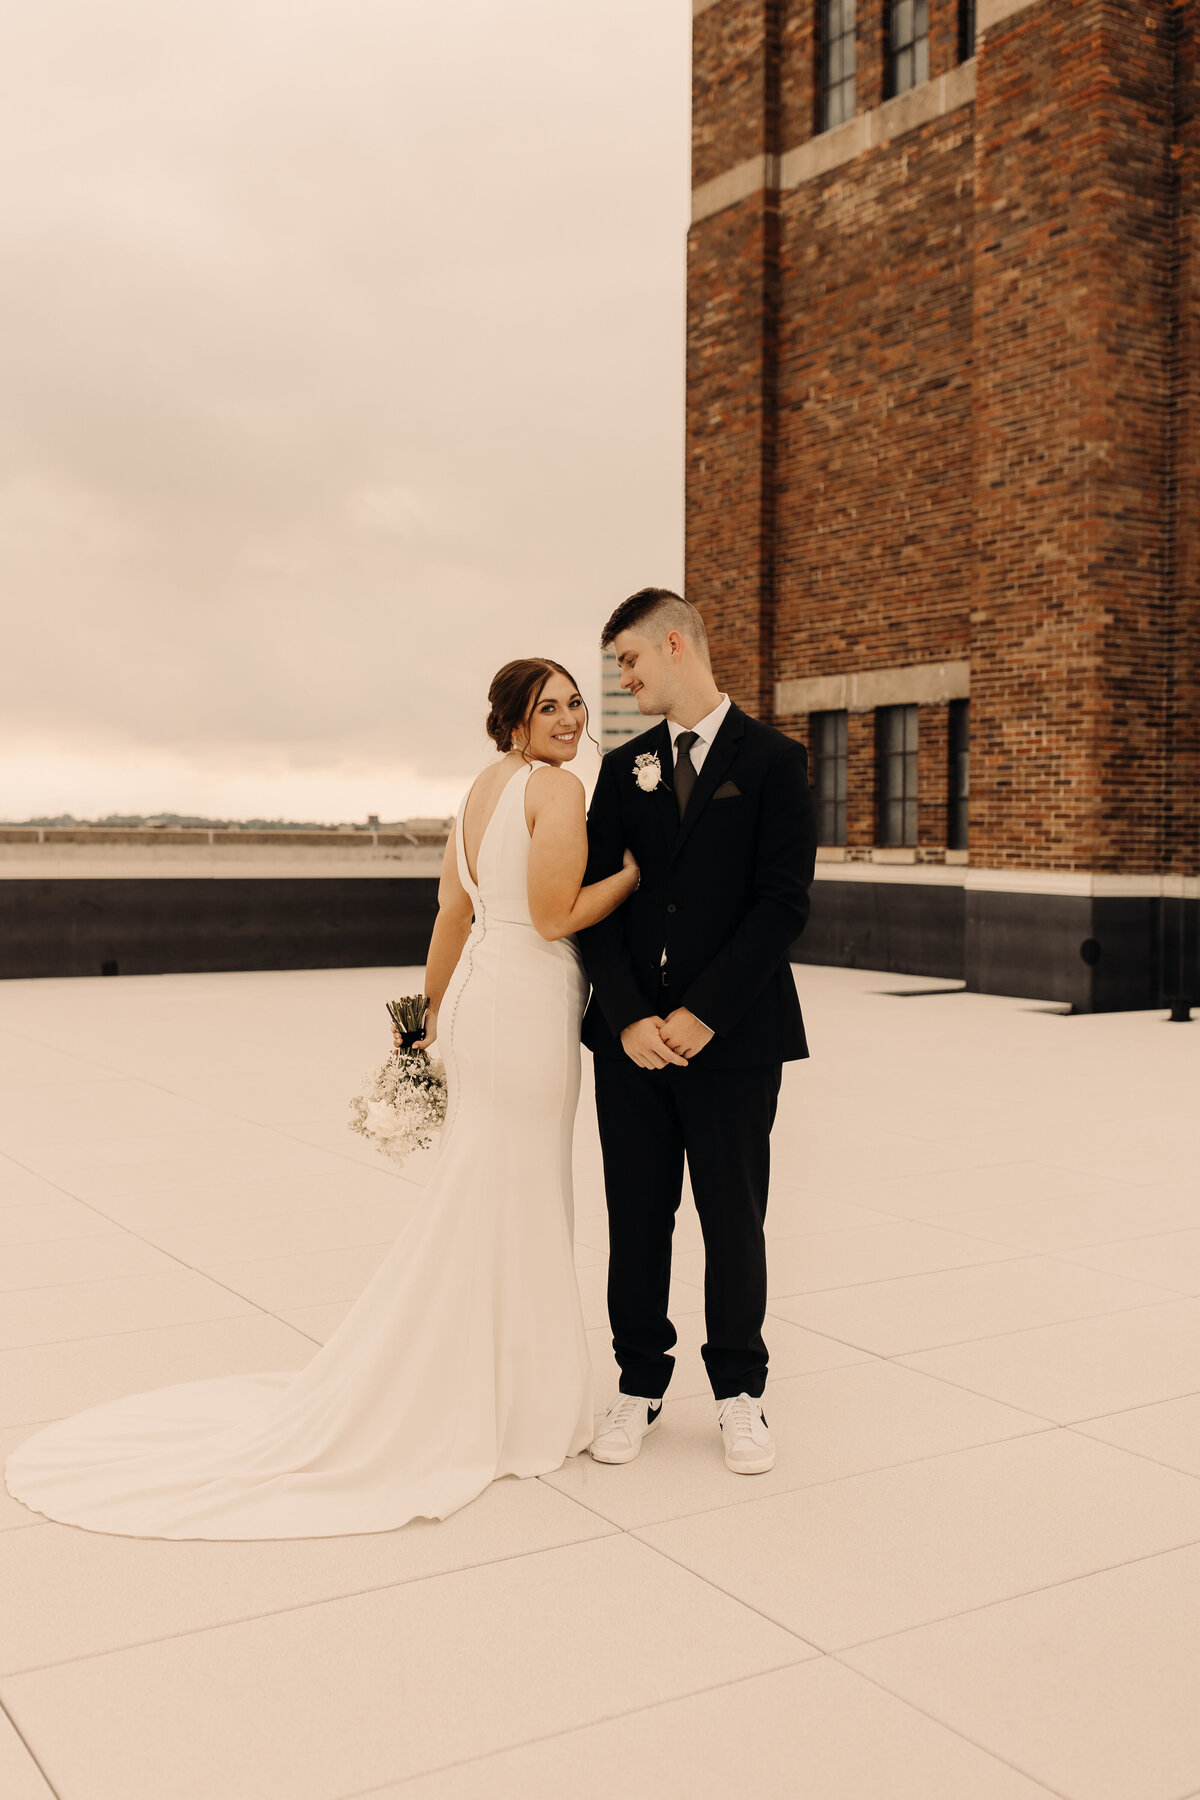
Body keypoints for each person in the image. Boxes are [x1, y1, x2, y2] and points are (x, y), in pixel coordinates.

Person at [3, 659, 637, 1539]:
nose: (569, 718)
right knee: (523, 1190)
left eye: (575, 703)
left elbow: (453, 912)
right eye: (549, 708)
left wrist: (428, 1018)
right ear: (514, 724)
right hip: (528, 1004)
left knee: (484, 1188)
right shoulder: (556, 792)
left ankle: (483, 1374)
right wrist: (636, 874)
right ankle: (521, 1398)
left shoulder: (476, 792)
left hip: (480, 1003)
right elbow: (558, 913)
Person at [578, 588, 816, 1475]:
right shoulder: (623, 767)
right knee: (636, 1218)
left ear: (675, 645)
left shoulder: (776, 763)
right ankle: (637, 1384)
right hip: (632, 1047)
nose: (625, 679)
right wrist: (633, 1014)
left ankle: (738, 1394)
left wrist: (702, 1013)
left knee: (733, 1219)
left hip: (736, 1041)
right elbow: (594, 905)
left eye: (631, 661)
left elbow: (782, 904)